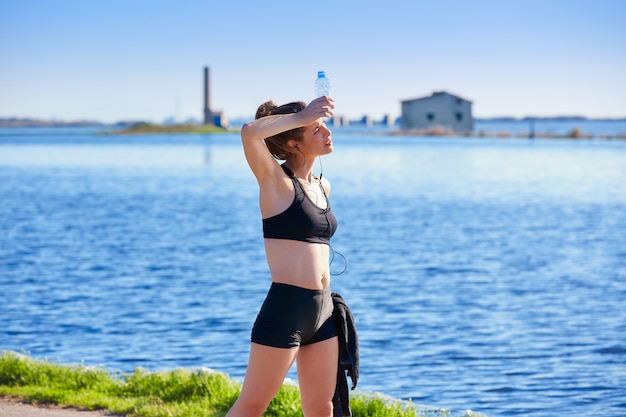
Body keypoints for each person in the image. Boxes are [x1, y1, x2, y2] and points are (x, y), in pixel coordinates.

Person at [226, 95, 338, 417]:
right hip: (286, 310)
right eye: (316, 130)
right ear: (294, 143)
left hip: (323, 310)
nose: (327, 133)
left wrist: (309, 119)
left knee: (321, 408)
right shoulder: (275, 183)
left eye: (323, 126)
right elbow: (249, 133)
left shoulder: (321, 186)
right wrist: (303, 115)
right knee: (252, 406)